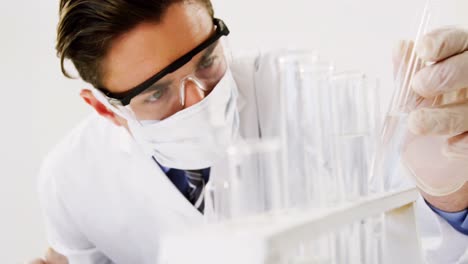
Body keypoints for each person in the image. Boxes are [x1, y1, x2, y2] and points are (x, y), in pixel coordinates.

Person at [31, 0, 467, 263]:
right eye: (157, 92)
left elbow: (427, 238)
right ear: (104, 109)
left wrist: (452, 199)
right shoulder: (72, 179)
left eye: (206, 61)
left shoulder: (306, 94)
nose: (198, 99)